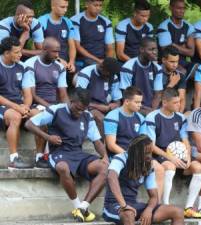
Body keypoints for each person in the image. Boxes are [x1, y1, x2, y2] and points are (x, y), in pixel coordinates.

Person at [25, 88, 109, 222]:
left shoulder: (87, 116)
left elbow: (97, 141)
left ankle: (83, 207)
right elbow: (29, 124)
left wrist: (104, 156)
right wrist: (48, 137)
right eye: (78, 108)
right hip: (59, 153)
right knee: (63, 168)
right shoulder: (57, 110)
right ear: (71, 101)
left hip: (78, 154)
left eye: (83, 109)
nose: (80, 112)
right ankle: (77, 206)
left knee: (104, 168)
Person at [145, 88, 201, 218]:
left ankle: (188, 207)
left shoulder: (181, 117)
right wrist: (170, 157)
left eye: (179, 102)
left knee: (200, 168)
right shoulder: (153, 117)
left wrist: (188, 155)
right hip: (160, 154)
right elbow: (151, 145)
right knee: (170, 166)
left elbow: (185, 140)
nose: (179, 105)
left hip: (179, 154)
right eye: (175, 103)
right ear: (165, 102)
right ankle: (165, 205)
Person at [103, 135, 184, 225]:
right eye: (146, 153)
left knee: (177, 212)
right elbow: (111, 177)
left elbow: (154, 196)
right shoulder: (121, 158)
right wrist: (124, 206)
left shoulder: (148, 165)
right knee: (128, 214)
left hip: (134, 205)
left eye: (150, 153)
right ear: (136, 152)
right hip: (114, 205)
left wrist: (148, 210)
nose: (149, 156)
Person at [103, 86, 165, 202]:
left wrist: (140, 157)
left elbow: (143, 142)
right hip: (118, 156)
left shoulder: (140, 118)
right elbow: (111, 145)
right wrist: (132, 156)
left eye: (140, 102)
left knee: (159, 168)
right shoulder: (113, 116)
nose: (139, 105)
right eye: (136, 102)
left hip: (136, 156)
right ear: (126, 101)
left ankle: (156, 204)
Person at [23, 37, 69, 168]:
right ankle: (39, 157)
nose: (57, 55)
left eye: (58, 51)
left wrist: (66, 108)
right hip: (34, 104)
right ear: (44, 50)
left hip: (52, 104)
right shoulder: (31, 64)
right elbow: (32, 94)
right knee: (41, 117)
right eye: (54, 52)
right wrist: (51, 108)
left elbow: (63, 94)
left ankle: (60, 155)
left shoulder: (60, 67)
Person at [0, 36, 32, 169]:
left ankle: (42, 157)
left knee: (40, 115)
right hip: (3, 105)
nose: (20, 54)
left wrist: (26, 106)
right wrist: (17, 108)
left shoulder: (22, 67)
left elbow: (27, 93)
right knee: (15, 116)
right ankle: (14, 159)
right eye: (16, 52)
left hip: (18, 105)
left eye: (21, 51)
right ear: (6, 53)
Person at [76, 57, 122, 138]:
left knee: (123, 117)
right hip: (88, 106)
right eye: (108, 74)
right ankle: (104, 146)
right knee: (101, 119)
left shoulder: (113, 76)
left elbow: (117, 100)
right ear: (102, 67)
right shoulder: (86, 73)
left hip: (106, 106)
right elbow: (79, 100)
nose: (109, 76)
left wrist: (115, 105)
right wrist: (99, 107)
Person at [120, 37, 163, 115]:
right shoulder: (128, 67)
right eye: (151, 49)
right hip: (133, 107)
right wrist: (141, 110)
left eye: (156, 49)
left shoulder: (158, 68)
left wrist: (152, 112)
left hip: (152, 107)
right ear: (141, 50)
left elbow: (158, 93)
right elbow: (126, 95)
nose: (155, 52)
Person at [71, 0, 114, 68]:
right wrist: (98, 61)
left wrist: (107, 62)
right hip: (82, 60)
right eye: (95, 5)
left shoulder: (106, 22)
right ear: (87, 4)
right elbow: (77, 46)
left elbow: (110, 47)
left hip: (102, 60)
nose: (98, 8)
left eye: (100, 5)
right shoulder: (75, 20)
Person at [38, 0, 76, 74]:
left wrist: (71, 62)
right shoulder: (42, 21)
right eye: (62, 7)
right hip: (47, 62)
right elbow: (37, 47)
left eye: (66, 7)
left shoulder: (68, 22)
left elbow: (72, 46)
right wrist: (58, 60)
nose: (65, 10)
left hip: (65, 64)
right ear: (53, 7)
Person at [157, 0, 195, 69]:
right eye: (179, 8)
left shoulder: (189, 26)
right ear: (171, 8)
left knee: (199, 69)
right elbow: (167, 51)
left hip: (183, 62)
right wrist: (183, 47)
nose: (182, 11)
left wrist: (173, 45)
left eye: (183, 8)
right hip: (168, 63)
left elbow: (191, 52)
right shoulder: (164, 27)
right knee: (182, 73)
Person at [160, 46, 187, 113]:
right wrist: (171, 84)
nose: (175, 65)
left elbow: (182, 99)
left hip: (175, 110)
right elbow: (158, 99)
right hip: (160, 109)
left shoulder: (180, 76)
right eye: (172, 62)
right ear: (163, 60)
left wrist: (180, 115)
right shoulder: (156, 73)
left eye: (177, 62)